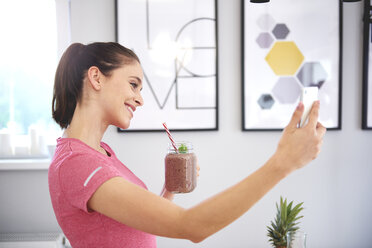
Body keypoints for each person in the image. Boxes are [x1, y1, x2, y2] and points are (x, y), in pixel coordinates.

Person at [48, 42, 326, 248]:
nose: (140, 99)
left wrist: (169, 190)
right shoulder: (77, 163)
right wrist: (282, 164)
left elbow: (132, 229)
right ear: (96, 78)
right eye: (133, 84)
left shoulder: (100, 154)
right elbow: (192, 226)